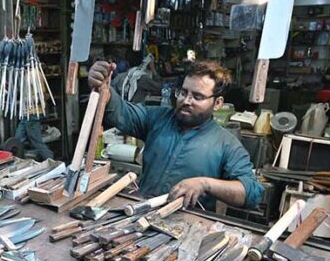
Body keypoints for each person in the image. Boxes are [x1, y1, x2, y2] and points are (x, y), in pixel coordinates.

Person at [88, 60, 264, 210]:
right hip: (141, 211)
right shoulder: (158, 118)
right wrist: (104, 90)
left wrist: (205, 183)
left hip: (185, 226)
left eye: (198, 96)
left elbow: (252, 193)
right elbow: (123, 112)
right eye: (183, 92)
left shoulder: (226, 144)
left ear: (217, 103)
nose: (187, 101)